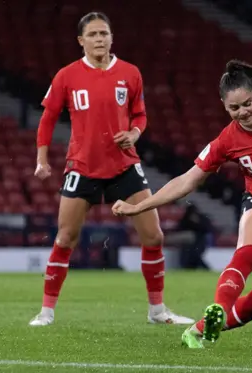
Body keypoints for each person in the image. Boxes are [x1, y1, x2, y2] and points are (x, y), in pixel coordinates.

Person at [112, 60, 252, 348]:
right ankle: (219, 306)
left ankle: (199, 329)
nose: (243, 113)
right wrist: (139, 207)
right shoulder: (228, 138)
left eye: (247, 104)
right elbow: (187, 180)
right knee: (250, 249)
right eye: (234, 109)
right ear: (224, 106)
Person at [28, 12, 193, 326]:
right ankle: (46, 312)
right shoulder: (67, 75)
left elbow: (140, 115)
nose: (99, 39)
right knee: (65, 238)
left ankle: (157, 311)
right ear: (81, 41)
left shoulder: (130, 73)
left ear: (112, 37)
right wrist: (41, 159)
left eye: (104, 33)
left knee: (154, 236)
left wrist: (134, 133)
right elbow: (48, 118)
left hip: (124, 166)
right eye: (92, 35)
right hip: (82, 166)